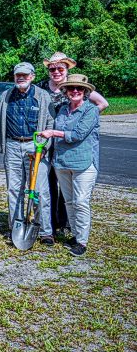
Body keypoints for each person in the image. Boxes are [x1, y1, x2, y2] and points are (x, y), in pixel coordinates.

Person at [38, 51, 108, 237]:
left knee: (74, 194)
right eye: (52, 68)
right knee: (51, 185)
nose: (56, 72)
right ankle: (51, 222)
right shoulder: (43, 88)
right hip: (51, 143)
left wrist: (85, 117)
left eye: (60, 68)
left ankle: (68, 225)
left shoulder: (78, 86)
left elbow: (103, 103)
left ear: (67, 69)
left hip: (71, 142)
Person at [0, 62, 54, 245]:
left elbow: (51, 123)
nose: (21, 78)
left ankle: (45, 231)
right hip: (12, 145)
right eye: (18, 75)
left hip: (35, 146)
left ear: (32, 76)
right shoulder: (6, 96)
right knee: (14, 189)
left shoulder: (43, 96)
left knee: (39, 190)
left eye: (25, 75)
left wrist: (45, 146)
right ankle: (16, 227)